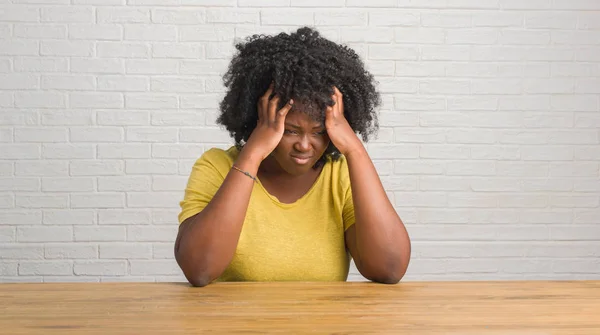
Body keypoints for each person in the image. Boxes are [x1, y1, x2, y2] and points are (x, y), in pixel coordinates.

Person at [174, 26, 411, 287]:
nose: (305, 145)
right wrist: (253, 153)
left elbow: (389, 268)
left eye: (319, 132)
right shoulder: (217, 167)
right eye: (290, 130)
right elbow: (199, 269)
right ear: (259, 119)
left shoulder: (338, 175)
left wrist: (354, 149)